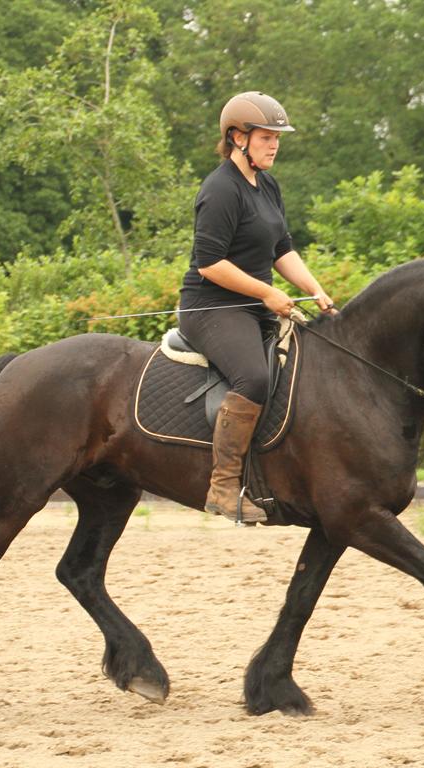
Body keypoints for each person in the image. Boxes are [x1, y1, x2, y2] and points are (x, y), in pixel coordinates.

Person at [178, 91, 334, 523]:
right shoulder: (220, 189)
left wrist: (315, 288)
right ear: (237, 137)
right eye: (267, 136)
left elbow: (282, 249)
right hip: (211, 309)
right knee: (254, 376)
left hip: (255, 307)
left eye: (277, 137)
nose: (275, 145)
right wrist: (266, 293)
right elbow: (209, 263)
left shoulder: (267, 184)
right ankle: (224, 487)